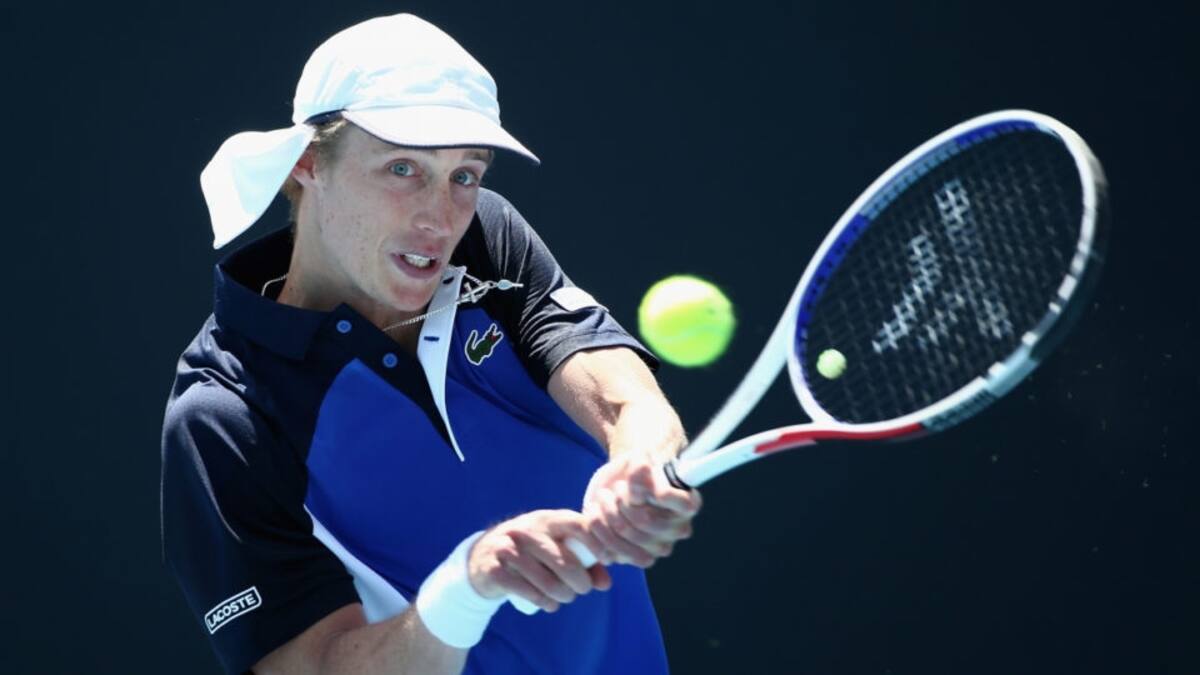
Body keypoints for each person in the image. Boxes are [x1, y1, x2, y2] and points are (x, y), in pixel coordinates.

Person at [160, 13, 701, 675]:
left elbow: (620, 396)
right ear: (308, 164)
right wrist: (466, 589)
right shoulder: (227, 414)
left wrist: (638, 460)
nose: (440, 218)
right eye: (403, 168)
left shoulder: (489, 241)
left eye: (464, 175)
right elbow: (311, 666)